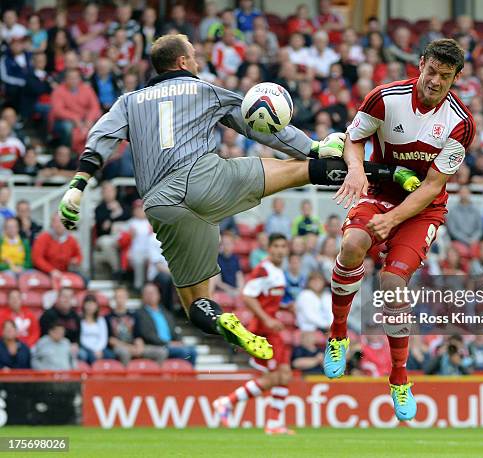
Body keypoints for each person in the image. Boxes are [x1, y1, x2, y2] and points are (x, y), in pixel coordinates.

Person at [57, 33, 394, 362]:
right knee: (299, 169)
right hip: (206, 179)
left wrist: (78, 183)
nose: (198, 60)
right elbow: (253, 124)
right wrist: (313, 146)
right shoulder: (204, 90)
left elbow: (100, 136)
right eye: (194, 54)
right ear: (183, 61)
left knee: (195, 304)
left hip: (162, 206)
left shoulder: (128, 101)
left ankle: (221, 321)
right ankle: (386, 175)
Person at [323, 39, 475, 421]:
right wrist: (355, 169)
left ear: (457, 77)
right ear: (420, 65)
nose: (435, 81)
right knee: (353, 244)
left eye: (445, 76)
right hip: (379, 190)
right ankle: (339, 334)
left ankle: (399, 377)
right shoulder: (384, 99)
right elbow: (353, 140)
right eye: (431, 72)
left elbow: (430, 187)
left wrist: (392, 221)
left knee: (393, 283)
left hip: (422, 209)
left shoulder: (461, 123)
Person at [214, 234, 295, 435]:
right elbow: (248, 295)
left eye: (283, 246)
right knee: (273, 377)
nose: (279, 250)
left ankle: (274, 423)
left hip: (272, 329)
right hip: (262, 330)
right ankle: (227, 401)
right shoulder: (263, 269)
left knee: (285, 375)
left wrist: (284, 308)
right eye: (275, 245)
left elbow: (265, 298)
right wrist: (267, 319)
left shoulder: (277, 271)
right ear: (268, 248)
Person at [134, 282, 197, 364]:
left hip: (171, 345)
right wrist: (168, 343)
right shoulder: (140, 314)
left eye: (153, 293)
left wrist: (179, 341)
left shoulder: (166, 313)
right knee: (184, 352)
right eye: (148, 293)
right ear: (143, 296)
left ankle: (189, 376)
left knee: (192, 351)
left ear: (159, 295)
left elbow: (174, 331)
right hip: (157, 346)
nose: (151, 295)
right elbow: (147, 334)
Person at [106, 286, 167, 365]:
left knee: (161, 352)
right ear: (114, 298)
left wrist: (139, 347)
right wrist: (128, 347)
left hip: (133, 346)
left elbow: (138, 335)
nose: (120, 299)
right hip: (119, 347)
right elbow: (111, 340)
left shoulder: (134, 315)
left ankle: (154, 375)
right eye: (118, 297)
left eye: (122, 296)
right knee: (124, 353)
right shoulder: (108, 317)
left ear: (127, 297)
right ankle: (127, 376)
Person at [32, 215, 82, 282]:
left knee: (83, 279)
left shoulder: (71, 239)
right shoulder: (43, 238)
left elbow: (78, 255)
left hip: (66, 271)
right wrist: (51, 270)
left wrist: (76, 260)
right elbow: (37, 258)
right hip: (45, 271)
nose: (59, 225)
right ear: (52, 224)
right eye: (56, 222)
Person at [79, 295, 113, 364]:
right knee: (91, 357)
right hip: (86, 347)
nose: (90, 307)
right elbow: (81, 338)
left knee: (111, 355)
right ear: (84, 306)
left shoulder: (101, 320)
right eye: (88, 304)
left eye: (92, 304)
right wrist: (93, 350)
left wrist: (98, 349)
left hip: (100, 347)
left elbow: (103, 337)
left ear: (96, 306)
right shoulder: (80, 320)